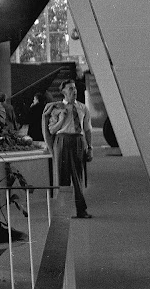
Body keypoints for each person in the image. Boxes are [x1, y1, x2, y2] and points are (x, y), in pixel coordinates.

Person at [42, 79, 93, 219]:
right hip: (62, 141)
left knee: (78, 177)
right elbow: (52, 130)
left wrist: (90, 147)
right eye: (70, 89)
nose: (74, 91)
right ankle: (63, 212)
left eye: (75, 88)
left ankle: (81, 210)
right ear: (63, 92)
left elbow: (87, 130)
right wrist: (61, 119)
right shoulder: (56, 108)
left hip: (78, 141)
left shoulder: (82, 108)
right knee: (62, 177)